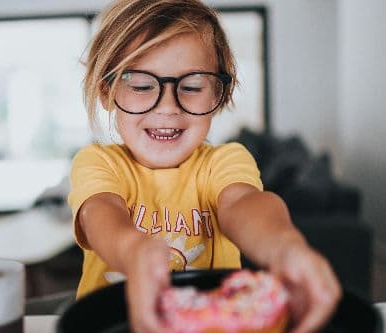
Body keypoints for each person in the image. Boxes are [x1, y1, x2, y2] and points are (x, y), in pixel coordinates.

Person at [67, 0, 341, 332]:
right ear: (107, 90)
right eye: (141, 85)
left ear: (218, 96)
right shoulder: (99, 162)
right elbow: (100, 215)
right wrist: (133, 250)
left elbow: (243, 203)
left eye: (192, 86)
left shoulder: (225, 161)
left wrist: (284, 246)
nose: (168, 107)